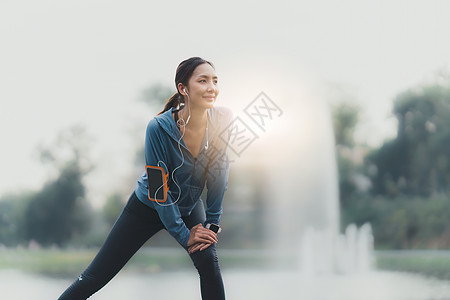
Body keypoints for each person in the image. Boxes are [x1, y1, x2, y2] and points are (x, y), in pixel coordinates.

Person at [58, 57, 234, 300]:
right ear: (183, 89)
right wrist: (185, 234)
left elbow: (219, 174)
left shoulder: (223, 120)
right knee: (95, 277)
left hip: (190, 205)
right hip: (147, 207)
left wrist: (210, 227)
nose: (211, 87)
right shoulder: (158, 128)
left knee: (208, 262)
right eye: (202, 81)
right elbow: (159, 190)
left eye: (215, 80)